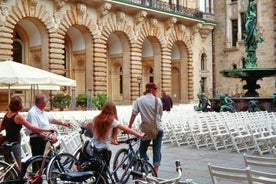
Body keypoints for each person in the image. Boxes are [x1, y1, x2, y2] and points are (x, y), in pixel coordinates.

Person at [0, 96, 54, 171]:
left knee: (9, 167)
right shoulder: (18, 117)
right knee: (19, 167)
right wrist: (47, 130)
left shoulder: (7, 115)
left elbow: (1, 127)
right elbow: (32, 128)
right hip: (15, 144)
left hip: (5, 143)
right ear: (19, 105)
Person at [90, 101, 144, 168]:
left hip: (93, 147)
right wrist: (139, 135)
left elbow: (99, 135)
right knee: (105, 170)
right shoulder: (112, 120)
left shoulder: (96, 119)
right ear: (113, 110)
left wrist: (111, 141)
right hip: (105, 149)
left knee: (98, 169)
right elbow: (126, 129)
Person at [128, 82, 163, 173]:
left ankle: (146, 168)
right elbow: (160, 114)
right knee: (157, 149)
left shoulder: (139, 100)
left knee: (142, 150)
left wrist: (129, 126)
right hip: (158, 128)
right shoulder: (158, 100)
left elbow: (134, 114)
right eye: (155, 89)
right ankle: (155, 170)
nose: (156, 91)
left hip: (147, 130)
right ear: (151, 90)